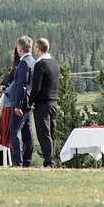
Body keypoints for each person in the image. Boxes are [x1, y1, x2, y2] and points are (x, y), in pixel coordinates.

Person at [28, 37, 61, 168]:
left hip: (42, 103)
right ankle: (51, 158)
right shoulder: (54, 63)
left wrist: (31, 101)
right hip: (54, 102)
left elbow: (36, 87)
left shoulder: (40, 64)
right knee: (52, 133)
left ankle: (48, 162)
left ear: (37, 48)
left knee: (43, 133)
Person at [3, 38, 34, 167]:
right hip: (28, 102)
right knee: (27, 132)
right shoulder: (33, 61)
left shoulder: (23, 63)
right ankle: (27, 160)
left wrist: (17, 104)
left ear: (19, 49)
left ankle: (17, 161)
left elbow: (22, 85)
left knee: (14, 131)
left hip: (21, 102)